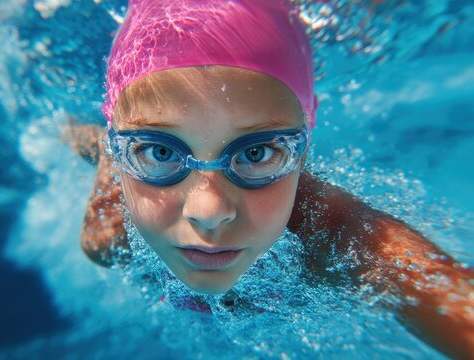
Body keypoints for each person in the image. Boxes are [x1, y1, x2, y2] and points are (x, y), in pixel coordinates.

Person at [64, 0, 474, 358]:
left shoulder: (333, 234)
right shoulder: (108, 229)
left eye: (256, 153)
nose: (209, 211)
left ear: (303, 151)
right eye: (159, 151)